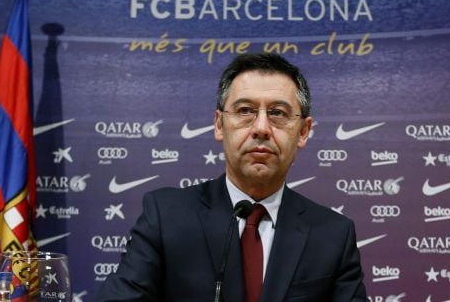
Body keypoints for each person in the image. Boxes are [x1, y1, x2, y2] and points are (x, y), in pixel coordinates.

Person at [98, 53, 368, 301]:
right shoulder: (165, 216)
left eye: (277, 113)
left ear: (303, 132)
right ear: (219, 125)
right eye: (245, 111)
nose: (261, 128)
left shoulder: (333, 235)